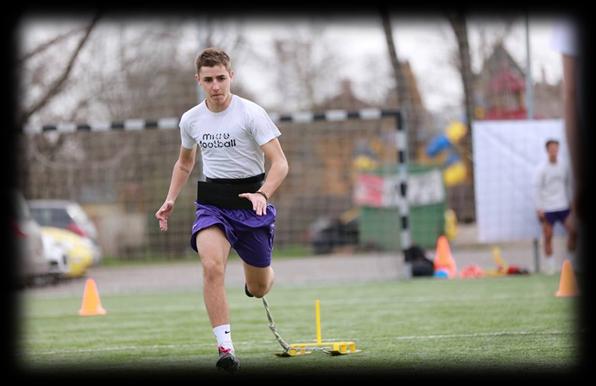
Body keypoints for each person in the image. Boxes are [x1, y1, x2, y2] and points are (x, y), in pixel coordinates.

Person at [155, 47, 289, 373]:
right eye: (208, 80)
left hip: (250, 202)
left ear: (231, 76)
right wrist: (171, 198)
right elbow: (185, 163)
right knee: (212, 266)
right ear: (198, 80)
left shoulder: (251, 114)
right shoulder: (191, 119)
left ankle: (259, 281)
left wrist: (262, 193)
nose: (215, 86)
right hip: (212, 203)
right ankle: (225, 347)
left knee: (258, 287)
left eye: (221, 78)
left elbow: (280, 163)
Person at [551, 19, 583, 273]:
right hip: (553, 205)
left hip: (565, 203)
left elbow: (570, 94)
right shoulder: (544, 169)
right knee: (548, 230)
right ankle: (552, 265)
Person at [534, 139, 576, 274]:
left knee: (574, 232)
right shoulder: (541, 169)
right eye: (551, 149)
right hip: (548, 208)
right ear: (547, 151)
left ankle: (570, 263)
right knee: (548, 235)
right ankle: (551, 265)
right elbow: (537, 189)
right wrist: (539, 208)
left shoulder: (564, 166)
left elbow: (568, 185)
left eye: (556, 148)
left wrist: (572, 203)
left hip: (563, 205)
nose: (554, 151)